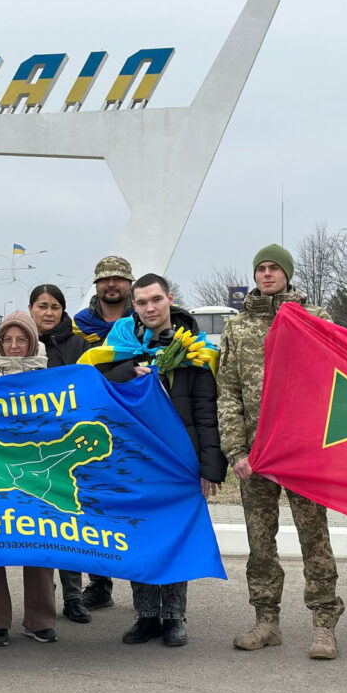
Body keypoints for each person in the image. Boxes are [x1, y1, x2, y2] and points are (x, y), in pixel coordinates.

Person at [217, 244, 345, 660]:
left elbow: (339, 381)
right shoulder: (237, 328)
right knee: (260, 542)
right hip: (256, 455)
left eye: (275, 268)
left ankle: (324, 624)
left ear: (288, 274)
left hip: (303, 452)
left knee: (315, 539)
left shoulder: (315, 320)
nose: (267, 275)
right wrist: (237, 449)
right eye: (261, 269)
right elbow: (229, 392)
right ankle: (266, 620)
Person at [91, 274, 225, 646]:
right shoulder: (121, 344)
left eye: (155, 300)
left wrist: (210, 466)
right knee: (139, 534)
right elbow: (94, 380)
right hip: (135, 461)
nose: (149, 308)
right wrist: (128, 371)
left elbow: (205, 409)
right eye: (141, 302)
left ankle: (174, 617)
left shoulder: (196, 349)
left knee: (175, 536)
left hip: (179, 461)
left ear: (170, 298)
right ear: (133, 306)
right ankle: (146, 615)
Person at [0, 310, 59, 646]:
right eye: (7, 339)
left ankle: (40, 620)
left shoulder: (53, 379)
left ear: (33, 341)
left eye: (21, 338)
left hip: (36, 474)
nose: (14, 345)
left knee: (40, 544)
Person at [72, 255, 135, 611]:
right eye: (104, 279)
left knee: (130, 504)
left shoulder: (140, 322)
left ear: (130, 283)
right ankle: (99, 583)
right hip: (90, 428)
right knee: (92, 506)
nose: (111, 284)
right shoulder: (79, 326)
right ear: (96, 285)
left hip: (132, 427)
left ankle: (146, 586)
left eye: (119, 279)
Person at [28, 284, 90, 624]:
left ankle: (74, 596)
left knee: (69, 525)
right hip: (32, 451)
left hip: (68, 449)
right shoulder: (21, 343)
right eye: (42, 306)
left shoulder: (79, 345)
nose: (48, 312)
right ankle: (43, 599)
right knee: (38, 528)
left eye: (54, 306)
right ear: (31, 309)